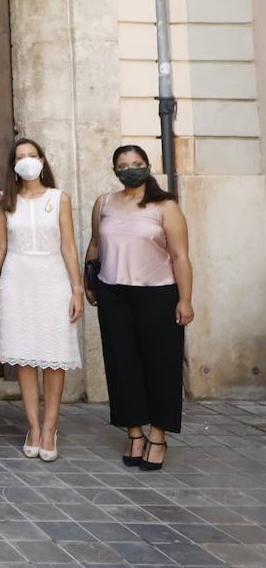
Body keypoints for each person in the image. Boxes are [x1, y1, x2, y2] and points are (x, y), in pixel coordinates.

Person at [85, 145, 194, 472]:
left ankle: (158, 436)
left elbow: (180, 256)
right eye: (123, 165)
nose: (129, 169)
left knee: (161, 366)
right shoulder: (104, 203)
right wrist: (89, 281)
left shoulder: (166, 206)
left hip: (158, 294)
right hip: (113, 293)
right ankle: (134, 433)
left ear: (147, 166)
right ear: (115, 170)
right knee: (121, 365)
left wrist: (185, 299)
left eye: (136, 163)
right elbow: (94, 244)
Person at [0, 139, 82, 461]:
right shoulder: (5, 202)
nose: (26, 161)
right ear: (13, 165)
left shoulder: (59, 198)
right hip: (17, 278)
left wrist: (77, 288)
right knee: (24, 356)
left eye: (31, 156)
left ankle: (51, 428)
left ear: (42, 160)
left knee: (54, 353)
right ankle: (33, 427)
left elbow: (68, 245)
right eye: (19, 157)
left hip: (53, 278)